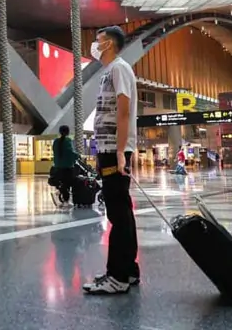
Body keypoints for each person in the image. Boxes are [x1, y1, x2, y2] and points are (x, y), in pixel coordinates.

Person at [83, 25, 139, 295]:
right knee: (123, 210)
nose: (95, 44)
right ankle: (128, 270)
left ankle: (117, 276)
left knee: (117, 211)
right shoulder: (112, 70)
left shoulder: (118, 68)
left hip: (113, 150)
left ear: (109, 45)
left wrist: (119, 152)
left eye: (99, 41)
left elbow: (124, 111)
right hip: (109, 148)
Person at [51, 125, 78, 205]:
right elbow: (70, 152)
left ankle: (60, 192)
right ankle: (65, 199)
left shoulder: (56, 141)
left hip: (57, 167)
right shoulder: (68, 140)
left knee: (62, 182)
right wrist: (77, 156)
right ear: (68, 132)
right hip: (67, 167)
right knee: (68, 183)